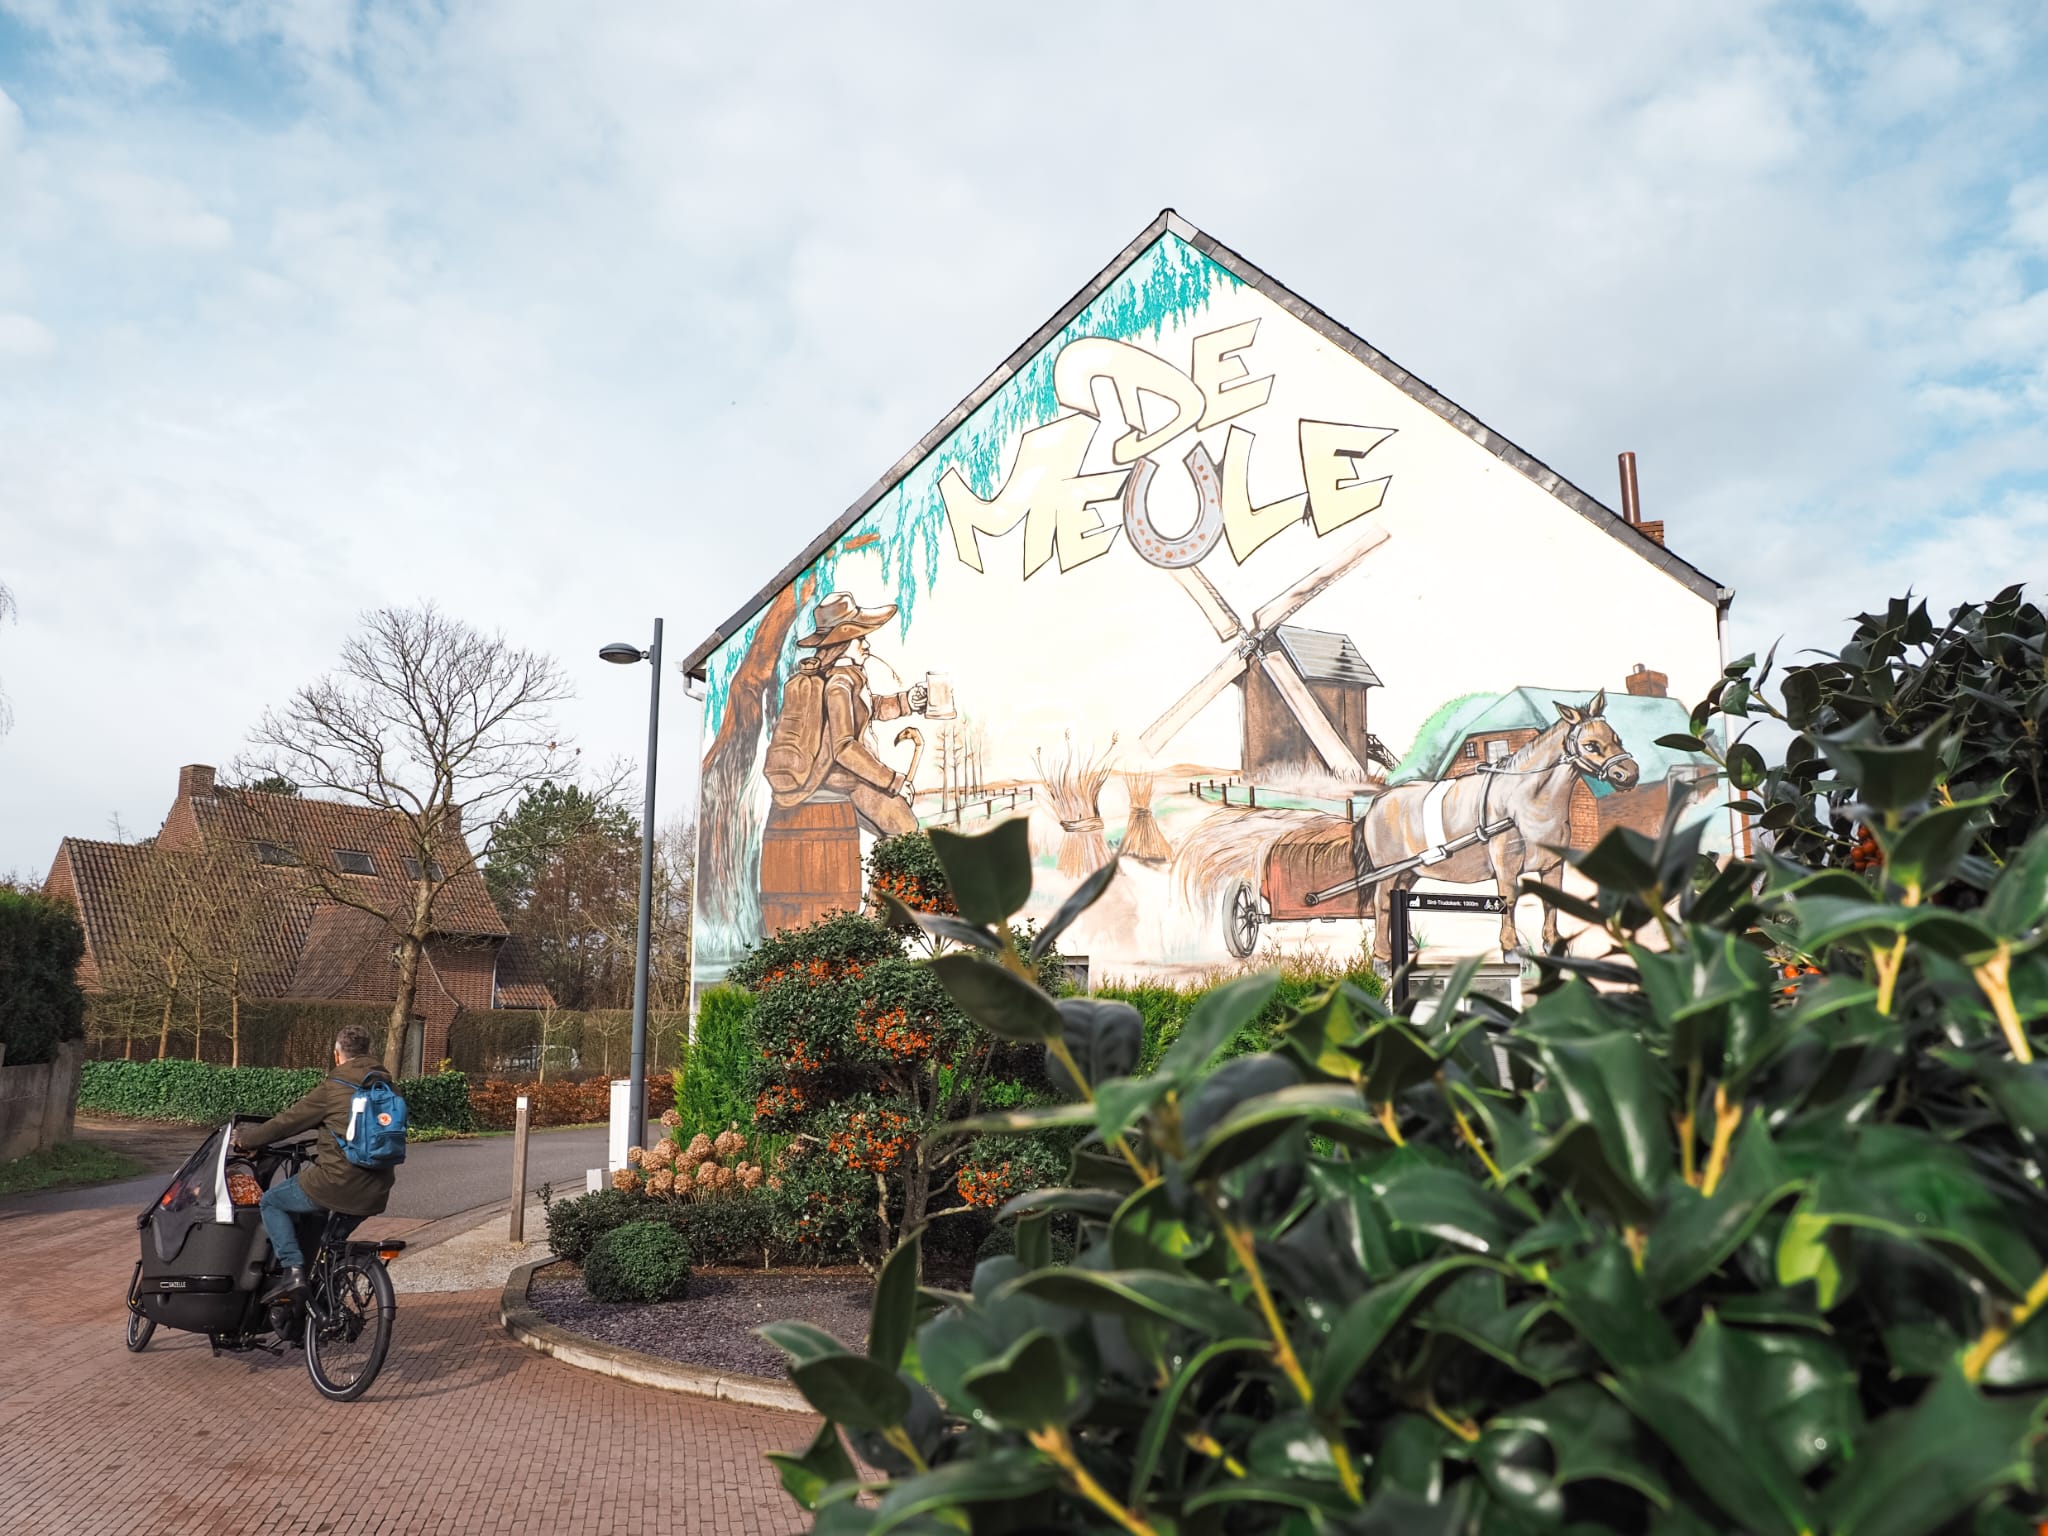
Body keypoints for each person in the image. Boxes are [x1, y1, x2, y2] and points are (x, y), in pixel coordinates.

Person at [233, 1024, 397, 1303]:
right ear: (369, 1053)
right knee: (329, 1247)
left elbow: (288, 1122)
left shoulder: (335, 1086)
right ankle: (323, 1302)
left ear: (337, 1055)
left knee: (272, 1201)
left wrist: (247, 1141)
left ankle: (293, 1271)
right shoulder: (389, 1086)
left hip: (336, 1182)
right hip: (378, 1188)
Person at [762, 591, 928, 837]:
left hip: (846, 776)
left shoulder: (842, 678)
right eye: (861, 638)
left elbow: (867, 708)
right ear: (844, 642)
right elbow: (844, 748)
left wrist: (906, 701)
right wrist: (893, 781)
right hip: (844, 778)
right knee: (907, 828)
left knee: (900, 828)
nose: (867, 645)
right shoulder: (839, 684)